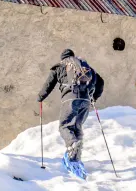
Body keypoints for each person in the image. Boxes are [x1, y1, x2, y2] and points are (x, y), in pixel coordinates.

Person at [37, 49, 104, 178]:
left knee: (65, 126)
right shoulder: (86, 67)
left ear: (62, 58)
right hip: (85, 101)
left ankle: (72, 144)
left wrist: (40, 97)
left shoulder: (60, 66)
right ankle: (75, 158)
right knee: (77, 127)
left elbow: (48, 84)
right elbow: (101, 82)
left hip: (70, 99)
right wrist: (93, 98)